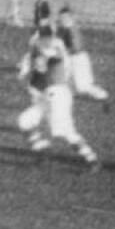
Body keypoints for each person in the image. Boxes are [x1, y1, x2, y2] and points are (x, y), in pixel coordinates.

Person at [15, 22, 100, 171]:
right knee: (24, 121)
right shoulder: (43, 47)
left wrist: (28, 66)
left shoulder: (52, 47)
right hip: (46, 96)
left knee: (63, 131)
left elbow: (41, 65)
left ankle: (91, 159)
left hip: (58, 94)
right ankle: (43, 152)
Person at [57, 6, 108, 101]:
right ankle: (67, 96)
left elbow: (76, 47)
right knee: (66, 81)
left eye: (65, 18)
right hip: (71, 58)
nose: (62, 20)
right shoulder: (64, 29)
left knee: (83, 86)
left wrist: (63, 51)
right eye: (61, 18)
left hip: (78, 59)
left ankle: (102, 95)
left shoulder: (71, 29)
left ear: (71, 18)